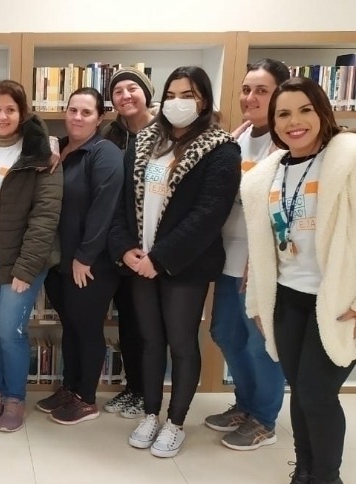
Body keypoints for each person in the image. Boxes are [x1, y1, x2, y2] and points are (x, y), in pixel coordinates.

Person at [108, 66, 241, 457]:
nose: (178, 102)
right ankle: (151, 413)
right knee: (150, 342)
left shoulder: (220, 148)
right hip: (139, 261)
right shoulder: (145, 141)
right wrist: (125, 248)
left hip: (184, 266)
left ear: (204, 101)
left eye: (188, 95)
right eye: (172, 94)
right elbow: (122, 203)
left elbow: (208, 214)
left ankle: (176, 421)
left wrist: (161, 258)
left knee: (182, 343)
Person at [242, 76, 356, 484]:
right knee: (299, 389)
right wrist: (259, 300)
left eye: (305, 110)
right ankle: (304, 471)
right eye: (284, 114)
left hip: (338, 301)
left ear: (323, 111)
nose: (295, 122)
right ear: (273, 122)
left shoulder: (348, 159)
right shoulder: (268, 173)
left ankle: (327, 477)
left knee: (317, 393)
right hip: (288, 297)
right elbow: (264, 245)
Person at [0, 79, 62, 432]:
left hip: (22, 261)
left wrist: (26, 267)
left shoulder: (40, 155)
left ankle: (15, 397)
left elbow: (46, 216)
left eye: (10, 109)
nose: (2, 116)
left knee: (10, 330)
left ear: (23, 113)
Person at [205, 59, 289, 451]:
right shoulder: (234, 140)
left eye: (262, 90)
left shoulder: (288, 145)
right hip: (228, 257)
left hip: (262, 263)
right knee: (225, 332)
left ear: (280, 95)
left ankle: (264, 419)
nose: (250, 98)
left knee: (260, 343)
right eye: (246, 89)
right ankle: (244, 404)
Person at [34, 87, 124, 425]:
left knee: (86, 328)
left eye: (86, 112)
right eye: (73, 110)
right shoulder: (59, 148)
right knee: (70, 326)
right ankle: (69, 388)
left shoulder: (104, 153)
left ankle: (86, 398)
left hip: (90, 264)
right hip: (60, 261)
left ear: (100, 118)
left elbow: (105, 208)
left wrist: (85, 256)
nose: (77, 117)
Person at [99, 67, 156, 419]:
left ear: (147, 93)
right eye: (117, 91)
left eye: (132, 88)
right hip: (120, 246)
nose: (125, 96)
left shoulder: (167, 132)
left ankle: (150, 394)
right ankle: (134, 388)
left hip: (155, 249)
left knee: (152, 327)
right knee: (129, 323)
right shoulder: (110, 136)